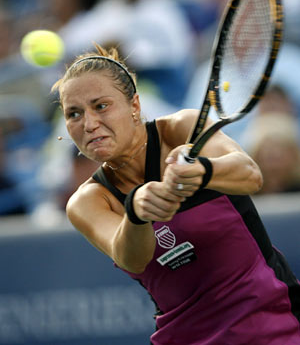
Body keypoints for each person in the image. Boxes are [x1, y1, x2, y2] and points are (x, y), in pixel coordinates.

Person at [51, 43, 300, 344]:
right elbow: (131, 259)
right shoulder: (87, 201)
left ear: (135, 106)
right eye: (74, 114)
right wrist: (137, 212)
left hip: (275, 323)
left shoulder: (182, 127)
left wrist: (202, 172)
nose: (89, 124)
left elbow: (250, 175)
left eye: (101, 105)